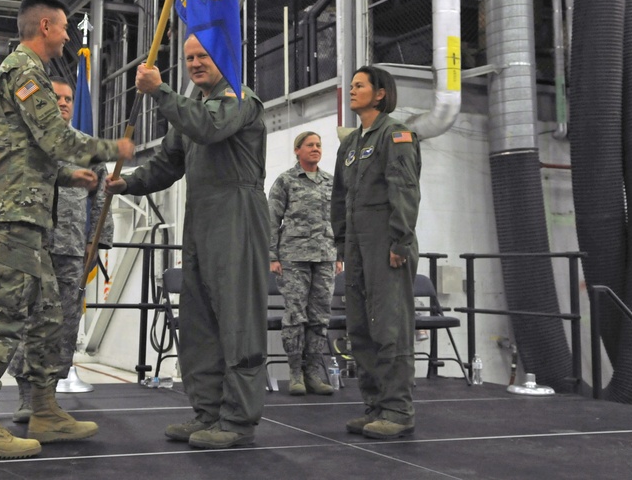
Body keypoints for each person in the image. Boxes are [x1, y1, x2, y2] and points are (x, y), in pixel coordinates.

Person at [0, 0, 135, 459]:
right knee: (3, 316)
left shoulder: (26, 71)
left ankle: (44, 409)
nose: (67, 36)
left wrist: (64, 174)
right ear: (44, 25)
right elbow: (53, 136)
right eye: (62, 28)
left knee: (48, 317)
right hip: (15, 212)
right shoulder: (24, 70)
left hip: (32, 210)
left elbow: (21, 149)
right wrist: (109, 150)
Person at [107, 35, 270, 450]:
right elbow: (166, 165)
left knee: (237, 321)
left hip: (237, 213)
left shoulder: (238, 98)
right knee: (199, 322)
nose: (196, 64)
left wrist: (159, 91)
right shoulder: (192, 109)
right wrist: (126, 182)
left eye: (203, 56)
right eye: (190, 58)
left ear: (223, 58)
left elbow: (209, 127)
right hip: (200, 217)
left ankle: (236, 420)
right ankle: (208, 413)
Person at [8, 76, 114, 423]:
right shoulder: (29, 142)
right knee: (27, 319)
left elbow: (101, 198)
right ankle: (27, 396)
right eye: (57, 97)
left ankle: (48, 398)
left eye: (69, 98)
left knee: (63, 323)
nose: (65, 102)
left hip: (70, 250)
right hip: (31, 247)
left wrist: (94, 242)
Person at [331, 65, 421, 440]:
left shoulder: (396, 134)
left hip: (386, 240)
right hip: (356, 244)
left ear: (380, 93)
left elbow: (404, 189)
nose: (352, 91)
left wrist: (400, 240)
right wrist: (341, 241)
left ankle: (398, 410)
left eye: (360, 86)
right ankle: (375, 406)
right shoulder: (350, 144)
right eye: (350, 86)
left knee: (390, 327)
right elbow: (339, 196)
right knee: (360, 327)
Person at [268, 131, 338, 396]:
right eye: (310, 145)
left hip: (325, 256)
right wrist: (272, 256)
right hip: (293, 257)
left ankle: (314, 372)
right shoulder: (285, 181)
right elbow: (271, 221)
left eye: (319, 145)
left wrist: (339, 254)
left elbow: (339, 220)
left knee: (320, 317)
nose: (315, 149)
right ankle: (295, 372)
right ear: (297, 150)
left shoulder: (330, 182)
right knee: (296, 316)